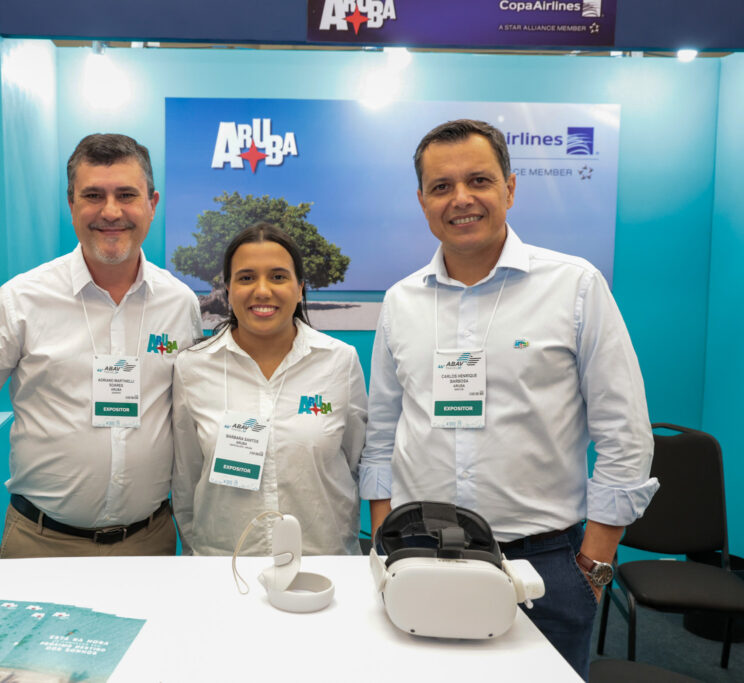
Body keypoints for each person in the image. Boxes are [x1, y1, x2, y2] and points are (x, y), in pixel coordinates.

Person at [360, 119, 657, 679]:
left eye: (479, 180)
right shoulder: (401, 301)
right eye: (441, 186)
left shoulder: (574, 286)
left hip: (544, 565)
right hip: (420, 555)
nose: (461, 199)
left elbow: (625, 433)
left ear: (510, 189)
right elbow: (382, 432)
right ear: (422, 200)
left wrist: (592, 566)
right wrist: (385, 539)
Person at [0, 133, 202, 558]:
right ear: (71, 204)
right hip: (41, 543)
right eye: (93, 195)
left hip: (152, 543)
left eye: (127, 194)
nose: (111, 211)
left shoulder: (180, 303)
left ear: (152, 203)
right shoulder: (23, 300)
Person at [172, 223, 367, 556]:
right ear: (228, 289)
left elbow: (353, 461)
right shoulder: (192, 368)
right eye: (246, 277)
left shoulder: (340, 362)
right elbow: (186, 479)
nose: (262, 291)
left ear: (300, 287)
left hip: (322, 564)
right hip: (224, 566)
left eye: (278, 276)